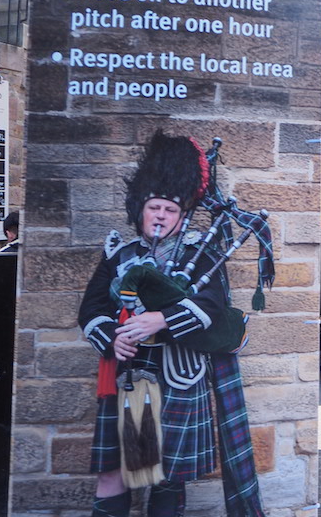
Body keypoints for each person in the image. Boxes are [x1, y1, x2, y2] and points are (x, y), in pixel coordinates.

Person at [79, 132, 265, 517]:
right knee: (119, 472)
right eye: (155, 207)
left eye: (170, 209)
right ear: (140, 209)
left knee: (165, 475)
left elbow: (212, 305)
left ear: (182, 215)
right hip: (129, 374)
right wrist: (114, 339)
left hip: (179, 374)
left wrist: (159, 320)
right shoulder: (120, 253)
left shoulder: (201, 252)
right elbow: (92, 306)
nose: (161, 215)